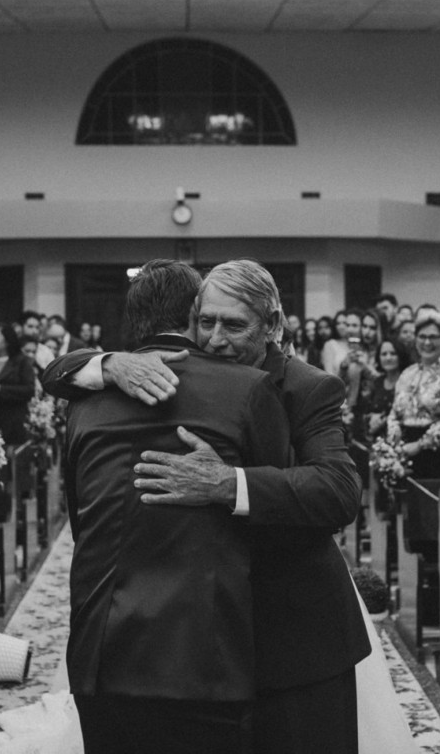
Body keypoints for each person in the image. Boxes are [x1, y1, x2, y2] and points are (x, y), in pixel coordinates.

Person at [44, 259, 375, 754]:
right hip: (210, 631)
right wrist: (110, 362)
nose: (216, 339)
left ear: (273, 326)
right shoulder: (167, 377)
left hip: (293, 628)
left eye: (235, 325)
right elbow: (59, 373)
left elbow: (338, 490)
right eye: (206, 322)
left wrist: (229, 484)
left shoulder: (308, 387)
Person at [64, 260, 293, 754]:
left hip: (99, 647)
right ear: (195, 313)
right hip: (203, 648)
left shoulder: (83, 402)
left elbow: (78, 518)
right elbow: (276, 521)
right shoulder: (247, 388)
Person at [389, 309, 440, 479]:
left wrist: (419, 445)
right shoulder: (408, 373)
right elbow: (394, 412)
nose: (427, 342)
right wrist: (395, 439)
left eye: (433, 337)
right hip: (405, 453)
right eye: (422, 336)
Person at [359, 337, 409, 441]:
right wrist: (371, 419)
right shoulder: (377, 382)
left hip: (402, 440)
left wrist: (384, 421)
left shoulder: (408, 381)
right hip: (378, 441)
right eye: (384, 354)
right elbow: (367, 412)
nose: (388, 358)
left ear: (400, 355)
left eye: (393, 353)